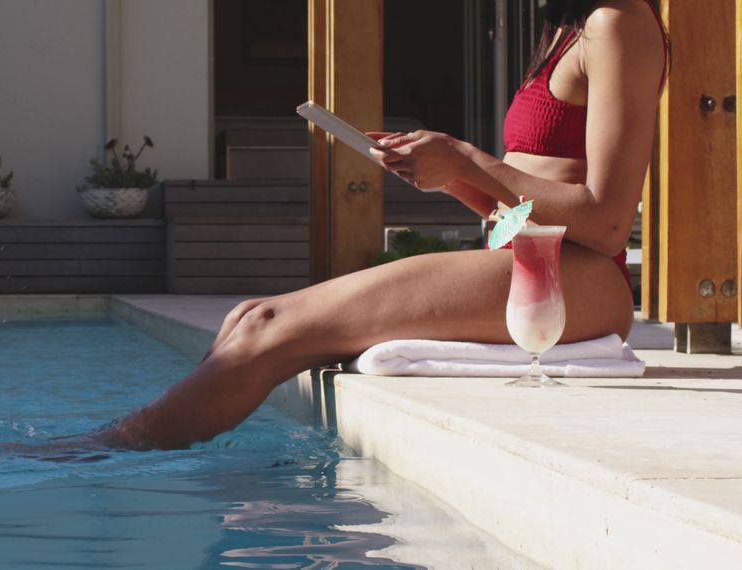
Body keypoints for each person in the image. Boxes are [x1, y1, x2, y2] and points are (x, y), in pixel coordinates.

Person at [91, 0, 669, 450]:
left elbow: (608, 220)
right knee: (246, 315)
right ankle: (142, 442)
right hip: (533, 262)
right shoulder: (570, 27)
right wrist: (450, 177)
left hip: (579, 282)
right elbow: (519, 207)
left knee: (268, 323)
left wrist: (467, 158)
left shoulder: (618, 21)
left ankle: (103, 451)